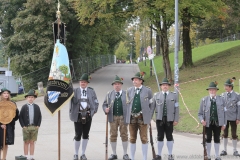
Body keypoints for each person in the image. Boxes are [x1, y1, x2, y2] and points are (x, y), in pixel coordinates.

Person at [70, 73, 99, 160]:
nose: (83, 83)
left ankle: (83, 154)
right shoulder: (74, 91)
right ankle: (76, 154)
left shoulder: (91, 91)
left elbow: (96, 102)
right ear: (79, 82)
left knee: (86, 135)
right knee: (78, 134)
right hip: (77, 115)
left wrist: (94, 111)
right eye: (81, 82)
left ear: (87, 83)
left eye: (84, 82)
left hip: (88, 115)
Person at [126, 72, 153, 160]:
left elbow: (151, 104)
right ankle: (132, 158)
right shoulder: (129, 90)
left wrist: (149, 116)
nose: (134, 81)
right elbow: (127, 104)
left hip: (143, 118)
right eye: (133, 80)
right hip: (132, 117)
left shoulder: (147, 90)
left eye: (136, 79)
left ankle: (144, 158)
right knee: (132, 138)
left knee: (144, 138)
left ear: (141, 81)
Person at [151, 78, 179, 160]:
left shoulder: (174, 95)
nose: (165, 86)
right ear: (161, 86)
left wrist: (176, 119)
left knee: (169, 136)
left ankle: (170, 155)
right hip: (160, 119)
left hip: (169, 119)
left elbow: (176, 108)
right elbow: (152, 108)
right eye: (163, 85)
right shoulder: (156, 95)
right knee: (160, 136)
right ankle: (159, 155)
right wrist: (149, 118)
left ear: (169, 86)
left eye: (166, 85)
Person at [102, 75, 130, 160]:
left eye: (118, 84)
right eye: (115, 84)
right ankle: (114, 153)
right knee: (113, 135)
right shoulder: (109, 94)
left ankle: (125, 154)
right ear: (113, 85)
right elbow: (104, 104)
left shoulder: (126, 94)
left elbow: (130, 105)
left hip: (123, 117)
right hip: (113, 117)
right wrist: (105, 109)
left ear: (121, 85)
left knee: (124, 135)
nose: (117, 85)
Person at [198, 82, 226, 160]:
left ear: (216, 90)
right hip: (208, 124)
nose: (212, 91)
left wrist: (224, 124)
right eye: (210, 90)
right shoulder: (204, 100)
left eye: (213, 90)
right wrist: (202, 120)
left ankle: (217, 156)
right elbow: (199, 113)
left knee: (217, 138)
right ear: (208, 91)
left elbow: (225, 113)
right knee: (208, 139)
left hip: (218, 123)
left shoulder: (222, 100)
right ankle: (208, 156)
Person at [19, 89, 42, 160]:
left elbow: (40, 116)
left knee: (32, 142)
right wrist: (23, 126)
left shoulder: (37, 107)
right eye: (29, 97)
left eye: (32, 97)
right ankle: (26, 156)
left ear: (34, 98)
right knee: (26, 142)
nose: (30, 99)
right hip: (26, 127)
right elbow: (20, 117)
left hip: (34, 126)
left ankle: (31, 156)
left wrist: (38, 125)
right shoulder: (24, 107)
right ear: (26, 98)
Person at [220, 78, 240, 156]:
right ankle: (224, 150)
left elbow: (239, 107)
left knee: (234, 134)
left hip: (233, 117)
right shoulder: (222, 95)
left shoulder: (237, 95)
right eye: (225, 86)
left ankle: (235, 150)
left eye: (226, 86)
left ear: (230, 87)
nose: (225, 87)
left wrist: (238, 118)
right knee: (225, 134)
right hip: (225, 118)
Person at [0, 88, 19, 160]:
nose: (6, 95)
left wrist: (15, 110)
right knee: (0, 144)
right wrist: (1, 124)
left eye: (7, 93)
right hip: (0, 127)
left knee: (6, 143)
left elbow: (16, 117)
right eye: (4, 93)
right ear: (1, 95)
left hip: (9, 127)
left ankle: (3, 158)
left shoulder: (12, 103)